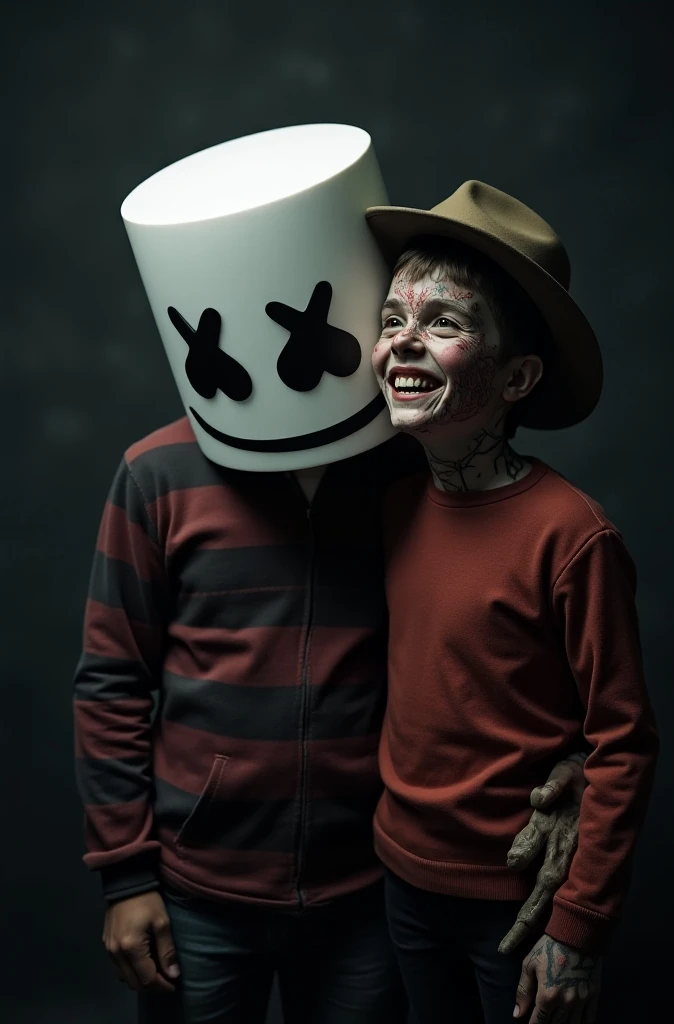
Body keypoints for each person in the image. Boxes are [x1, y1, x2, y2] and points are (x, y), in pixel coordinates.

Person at [73, 129, 588, 1024]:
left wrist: (575, 761)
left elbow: (513, 636)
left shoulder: (413, 473)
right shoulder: (153, 475)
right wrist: (126, 876)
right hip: (198, 890)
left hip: (371, 892)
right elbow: (112, 682)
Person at [366, 180, 660, 1024]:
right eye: (391, 321)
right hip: (401, 879)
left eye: (444, 323)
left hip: (520, 900)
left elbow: (623, 740)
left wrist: (581, 925)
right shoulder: (390, 503)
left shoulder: (572, 536)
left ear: (519, 375)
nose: (403, 344)